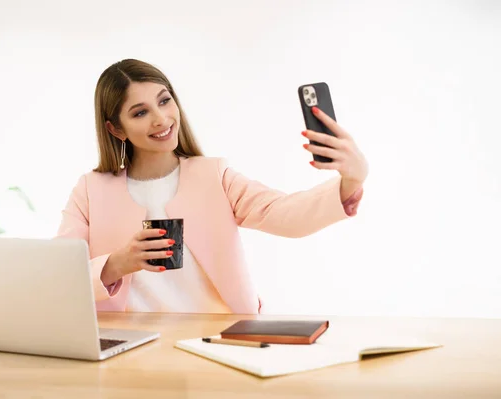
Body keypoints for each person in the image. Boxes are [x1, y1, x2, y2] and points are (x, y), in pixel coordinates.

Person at [57, 59, 368, 315]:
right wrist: (115, 264)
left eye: (165, 101)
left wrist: (350, 182)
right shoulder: (90, 190)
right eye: (140, 112)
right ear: (116, 128)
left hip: (216, 340)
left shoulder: (214, 176)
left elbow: (286, 214)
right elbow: (58, 276)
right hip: (127, 347)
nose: (161, 118)